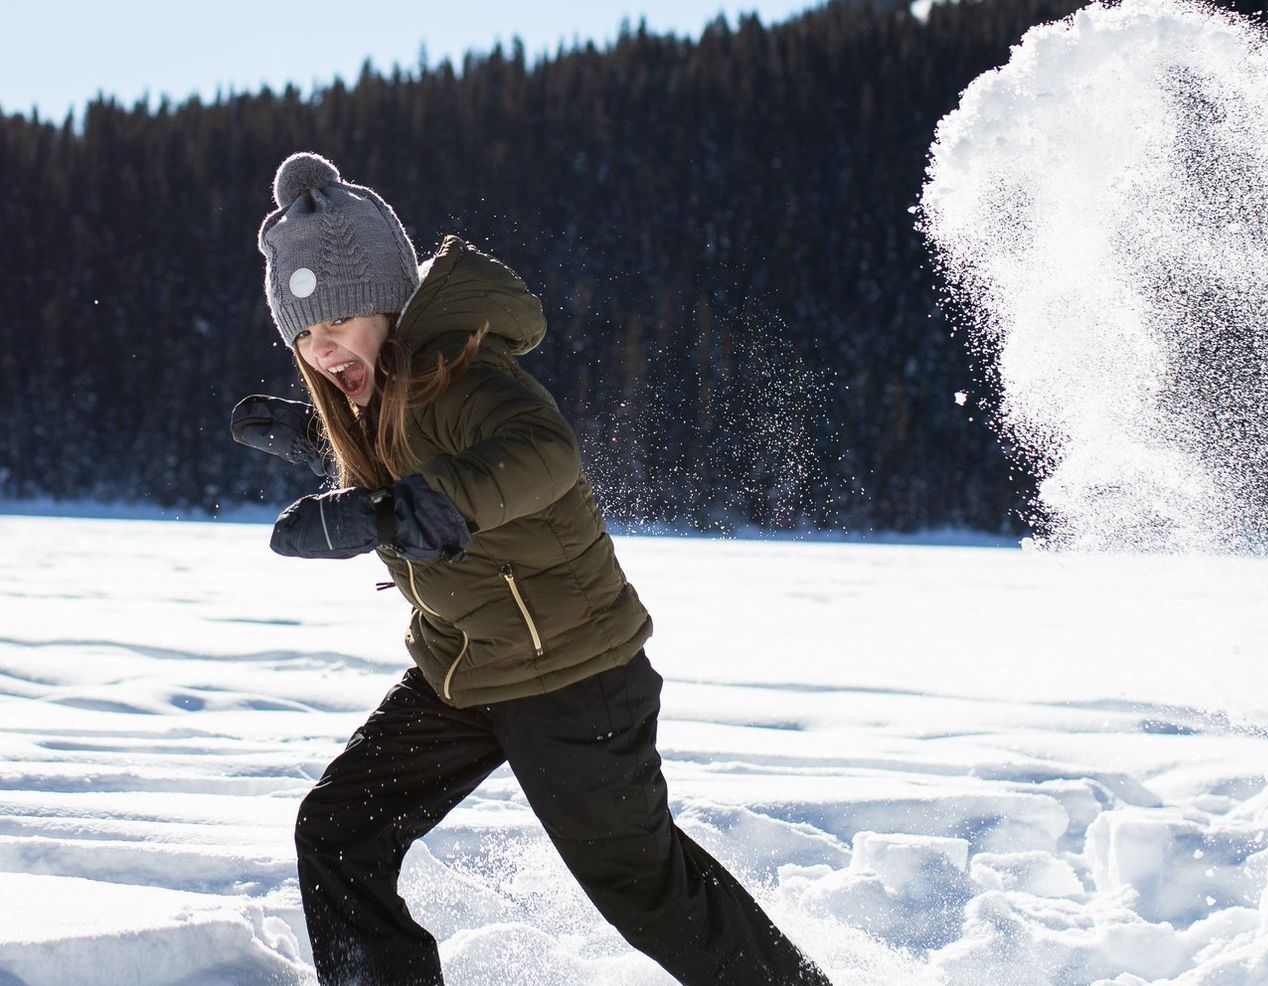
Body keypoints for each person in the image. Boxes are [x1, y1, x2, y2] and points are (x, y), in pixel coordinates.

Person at [230, 151, 833, 986]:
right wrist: (317, 442)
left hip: (573, 677)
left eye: (337, 321)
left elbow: (543, 453)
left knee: (647, 890)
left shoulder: (466, 373)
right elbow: (406, 461)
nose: (321, 346)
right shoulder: (382, 398)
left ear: (390, 304)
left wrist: (400, 510)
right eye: (303, 333)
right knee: (338, 831)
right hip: (466, 667)